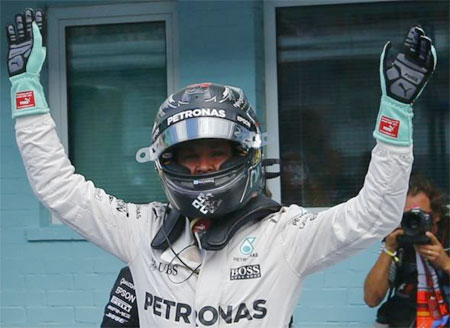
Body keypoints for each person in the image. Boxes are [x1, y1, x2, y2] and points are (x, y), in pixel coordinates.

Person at [6, 8, 437, 327]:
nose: (203, 168)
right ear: (165, 161)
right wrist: (26, 92)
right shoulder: (142, 231)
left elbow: (376, 213)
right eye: (189, 156)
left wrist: (395, 113)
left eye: (217, 153)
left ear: (245, 155)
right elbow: (58, 188)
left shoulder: (284, 235)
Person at [364, 175, 449, 327]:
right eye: (408, 215)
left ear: (436, 215)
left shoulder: (447, 234)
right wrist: (389, 249)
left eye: (420, 214)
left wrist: (445, 263)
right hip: (405, 318)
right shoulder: (399, 241)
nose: (414, 221)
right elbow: (371, 299)